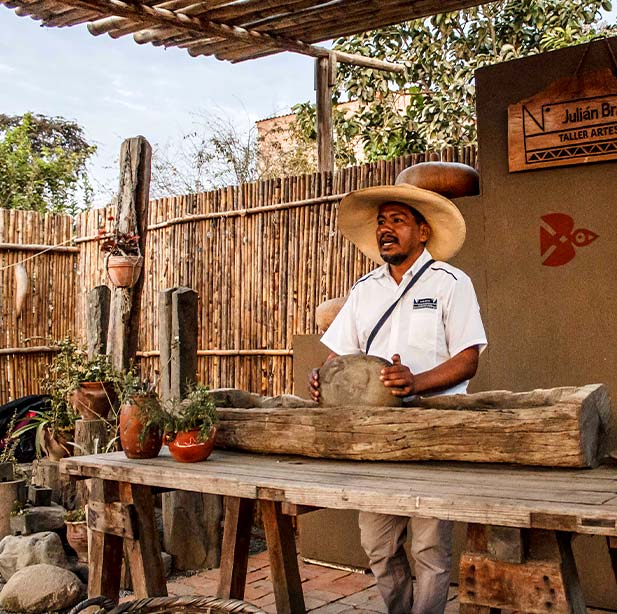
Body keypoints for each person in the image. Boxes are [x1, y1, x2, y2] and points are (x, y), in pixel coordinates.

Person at [309, 173, 487, 614]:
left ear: (423, 231)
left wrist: (417, 382)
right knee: (378, 545)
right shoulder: (365, 290)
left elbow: (468, 359)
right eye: (381, 222)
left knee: (428, 547)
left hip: (432, 429)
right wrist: (323, 379)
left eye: (398, 220)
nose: (385, 229)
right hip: (376, 437)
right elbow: (338, 357)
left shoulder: (451, 283)